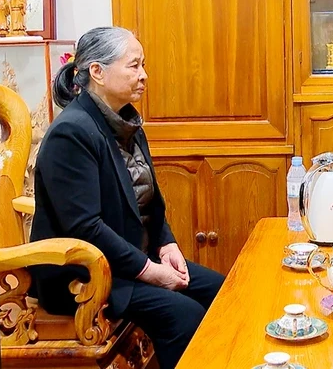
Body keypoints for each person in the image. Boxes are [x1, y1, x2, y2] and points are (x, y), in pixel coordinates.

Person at [29, 26, 225, 369]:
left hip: (134, 259)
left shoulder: (126, 123)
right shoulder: (71, 133)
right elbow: (85, 227)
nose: (144, 75)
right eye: (133, 66)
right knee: (185, 316)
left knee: (224, 291)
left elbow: (150, 203)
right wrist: (150, 271)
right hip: (86, 275)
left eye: (143, 65)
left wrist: (167, 246)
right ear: (97, 72)